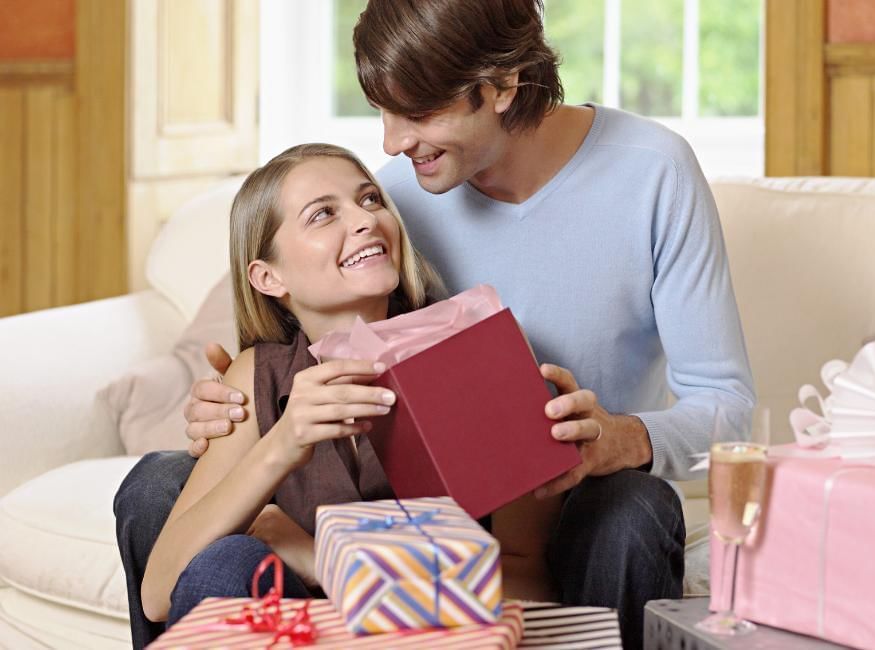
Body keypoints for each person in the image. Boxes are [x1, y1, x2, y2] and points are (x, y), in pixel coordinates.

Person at [116, 1, 755, 647]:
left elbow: (728, 410)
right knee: (156, 486)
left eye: (419, 112)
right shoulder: (395, 195)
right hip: (382, 508)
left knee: (633, 507)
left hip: (552, 502)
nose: (392, 143)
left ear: (503, 85)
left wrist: (617, 439)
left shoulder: (653, 171)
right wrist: (235, 413)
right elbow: (278, 308)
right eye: (383, 113)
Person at [137, 143, 563, 627]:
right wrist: (283, 443)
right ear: (268, 277)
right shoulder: (256, 375)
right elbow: (158, 595)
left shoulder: (478, 356)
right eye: (322, 215)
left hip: (436, 635)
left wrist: (323, 559)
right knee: (220, 558)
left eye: (369, 200)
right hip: (302, 633)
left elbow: (535, 590)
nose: (365, 221)